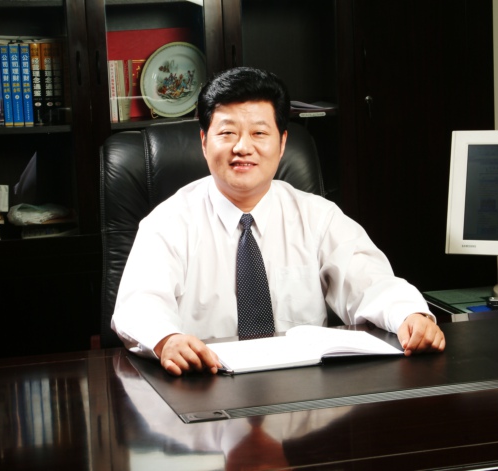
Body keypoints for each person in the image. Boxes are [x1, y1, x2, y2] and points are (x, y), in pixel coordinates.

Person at [112, 67, 445, 376]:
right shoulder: (169, 222)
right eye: (227, 133)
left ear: (282, 143)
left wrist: (409, 315)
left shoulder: (317, 217)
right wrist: (167, 339)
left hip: (302, 392)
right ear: (204, 142)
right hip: (205, 383)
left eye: (259, 132)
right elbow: (140, 303)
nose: (243, 147)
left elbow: (370, 281)